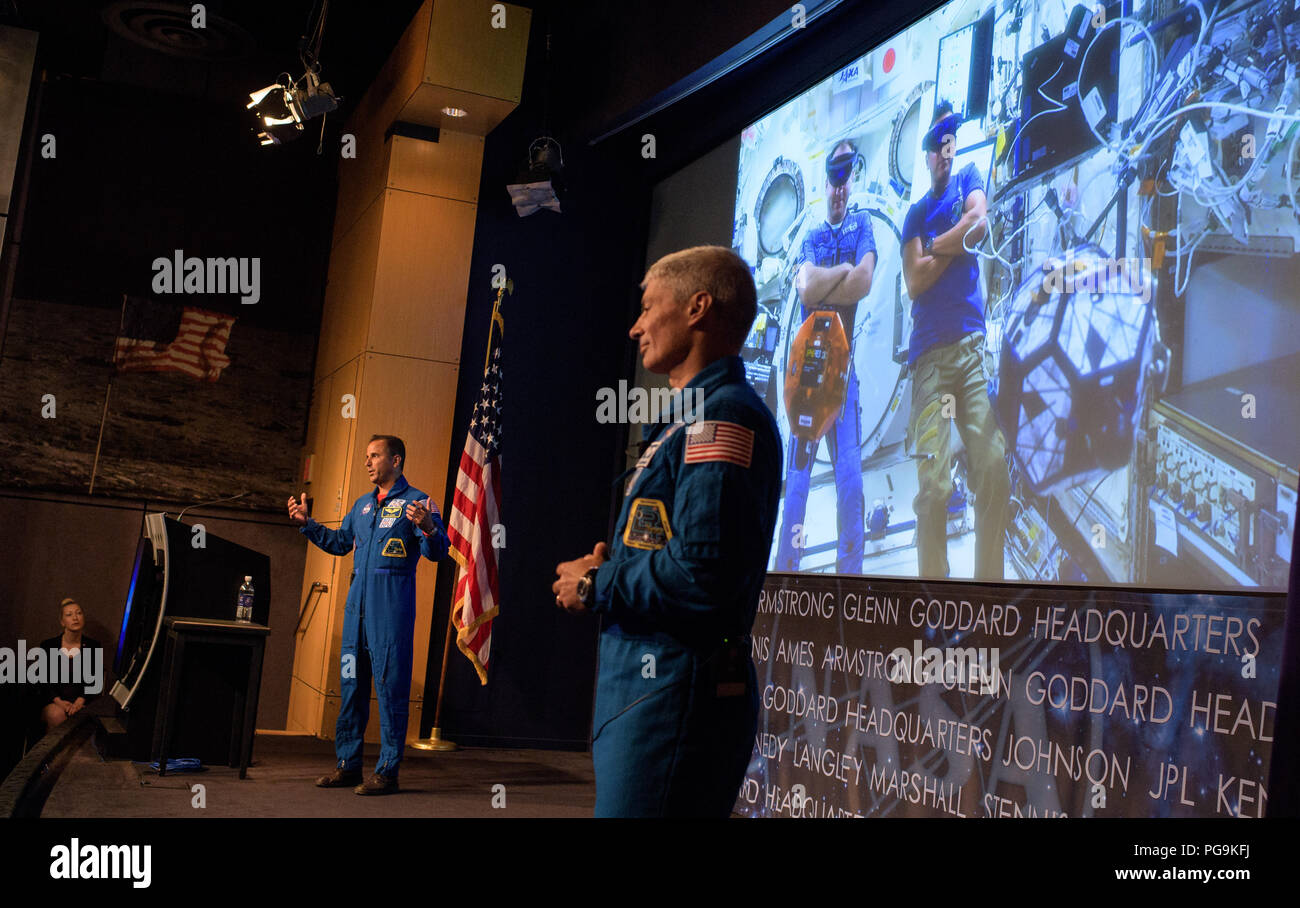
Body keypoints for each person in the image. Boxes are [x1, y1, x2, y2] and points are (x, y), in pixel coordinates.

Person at [552, 245, 781, 817]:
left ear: (698, 307)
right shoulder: (687, 418)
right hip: (647, 692)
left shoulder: (722, 418)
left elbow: (701, 577)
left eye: (649, 307)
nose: (635, 327)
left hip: (674, 693)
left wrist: (596, 583)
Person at [288, 434, 449, 795]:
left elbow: (438, 552)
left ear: (396, 460)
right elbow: (340, 543)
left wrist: (427, 525)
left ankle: (387, 772)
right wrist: (308, 523)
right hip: (355, 611)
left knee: (390, 690)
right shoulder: (362, 505)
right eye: (366, 456)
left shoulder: (418, 503)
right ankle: (348, 766)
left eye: (374, 456)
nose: (367, 462)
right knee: (351, 687)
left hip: (390, 612)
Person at [900, 102, 1010, 579]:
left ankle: (988, 590)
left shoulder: (970, 176)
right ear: (926, 156)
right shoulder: (914, 213)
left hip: (968, 351)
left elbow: (979, 225)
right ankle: (934, 599)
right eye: (935, 147)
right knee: (935, 487)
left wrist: (939, 244)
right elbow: (915, 281)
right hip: (927, 359)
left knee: (993, 465)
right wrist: (958, 236)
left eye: (949, 144)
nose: (944, 154)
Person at [774, 138, 875, 573]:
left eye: (845, 179)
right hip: (808, 377)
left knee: (849, 478)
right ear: (826, 184)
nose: (839, 189)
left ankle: (848, 579)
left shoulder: (863, 224)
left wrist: (826, 283)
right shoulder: (812, 234)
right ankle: (785, 571)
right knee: (796, 483)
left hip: (842, 372)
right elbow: (808, 288)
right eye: (833, 180)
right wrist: (840, 274)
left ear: (850, 182)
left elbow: (864, 282)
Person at [38, 598, 102, 732]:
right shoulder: (48, 646)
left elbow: (95, 682)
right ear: (62, 622)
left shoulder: (93, 646)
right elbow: (43, 682)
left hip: (82, 701)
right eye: (69, 615)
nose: (75, 618)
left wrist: (80, 701)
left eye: (79, 613)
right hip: (54, 701)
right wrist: (59, 702)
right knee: (57, 715)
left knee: (81, 718)